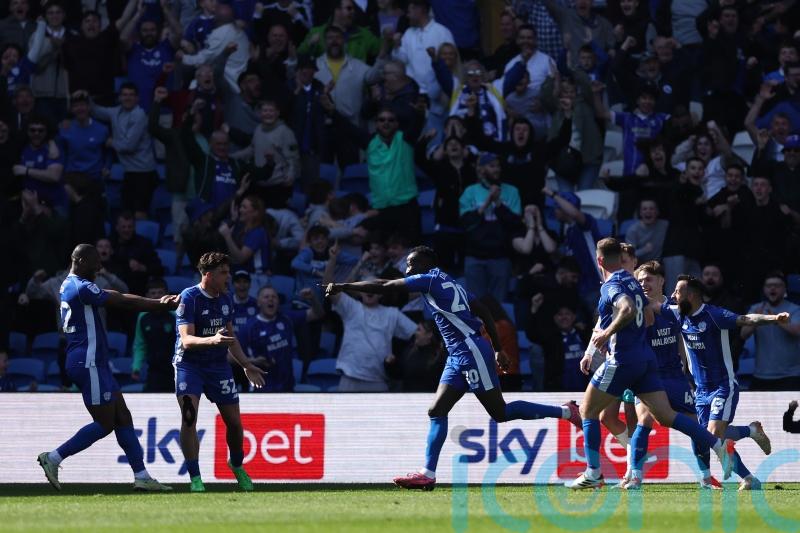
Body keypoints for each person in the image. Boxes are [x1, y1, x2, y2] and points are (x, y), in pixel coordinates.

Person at [325, 245, 582, 490]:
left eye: (411, 263)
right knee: (436, 409)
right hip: (458, 355)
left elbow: (386, 286)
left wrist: (344, 286)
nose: (407, 268)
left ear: (426, 265)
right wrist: (497, 348)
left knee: (500, 412)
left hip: (470, 351)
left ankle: (566, 412)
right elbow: (481, 308)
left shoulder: (428, 279)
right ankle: (428, 474)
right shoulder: (448, 281)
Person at [567, 238, 737, 490]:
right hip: (646, 361)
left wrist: (607, 334)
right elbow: (647, 316)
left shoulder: (612, 285)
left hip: (623, 359)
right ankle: (717, 445)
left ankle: (593, 473)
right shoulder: (633, 285)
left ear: (599, 260)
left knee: (588, 411)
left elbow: (625, 310)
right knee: (665, 416)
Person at [36, 243, 176, 491]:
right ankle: (54, 457)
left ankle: (142, 476)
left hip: (92, 361)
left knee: (123, 416)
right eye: (94, 263)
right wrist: (158, 304)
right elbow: (122, 300)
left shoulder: (68, 285)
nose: (99, 268)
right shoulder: (80, 286)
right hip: (87, 361)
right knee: (105, 423)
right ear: (79, 261)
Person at [670, 274, 789, 490]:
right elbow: (655, 307)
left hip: (723, 386)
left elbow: (745, 319)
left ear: (692, 294)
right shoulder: (680, 315)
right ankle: (750, 461)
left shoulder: (714, 315)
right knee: (707, 436)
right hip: (700, 389)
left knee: (714, 436)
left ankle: (748, 439)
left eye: (677, 291)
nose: (673, 295)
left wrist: (773, 319)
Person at [174, 251, 266, 492]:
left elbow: (230, 337)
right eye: (223, 273)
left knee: (234, 423)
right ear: (208, 275)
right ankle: (195, 478)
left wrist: (246, 364)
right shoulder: (189, 298)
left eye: (228, 272)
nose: (228, 278)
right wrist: (212, 341)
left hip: (218, 367)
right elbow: (186, 341)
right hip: (189, 365)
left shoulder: (226, 299)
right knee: (189, 417)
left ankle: (236, 465)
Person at [240, 286, 324, 392]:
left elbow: (318, 314)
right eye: (266, 297)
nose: (270, 299)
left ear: (278, 302)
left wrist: (313, 298)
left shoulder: (286, 318)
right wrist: (253, 361)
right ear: (258, 303)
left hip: (287, 388)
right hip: (261, 391)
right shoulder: (248, 327)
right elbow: (230, 357)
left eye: (274, 297)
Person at [741, 272, 800, 391]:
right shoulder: (756, 309)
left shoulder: (795, 309)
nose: (772, 288)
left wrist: (776, 318)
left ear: (785, 289)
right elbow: (743, 334)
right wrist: (756, 320)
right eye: (769, 286)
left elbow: (797, 331)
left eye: (777, 286)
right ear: (764, 289)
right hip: (761, 375)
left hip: (790, 376)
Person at [131, 278, 177, 392]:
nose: (157, 296)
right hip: (154, 371)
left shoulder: (175, 315)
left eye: (160, 293)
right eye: (153, 293)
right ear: (147, 295)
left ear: (167, 294)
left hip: (176, 371)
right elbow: (140, 344)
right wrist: (136, 367)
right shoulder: (142, 317)